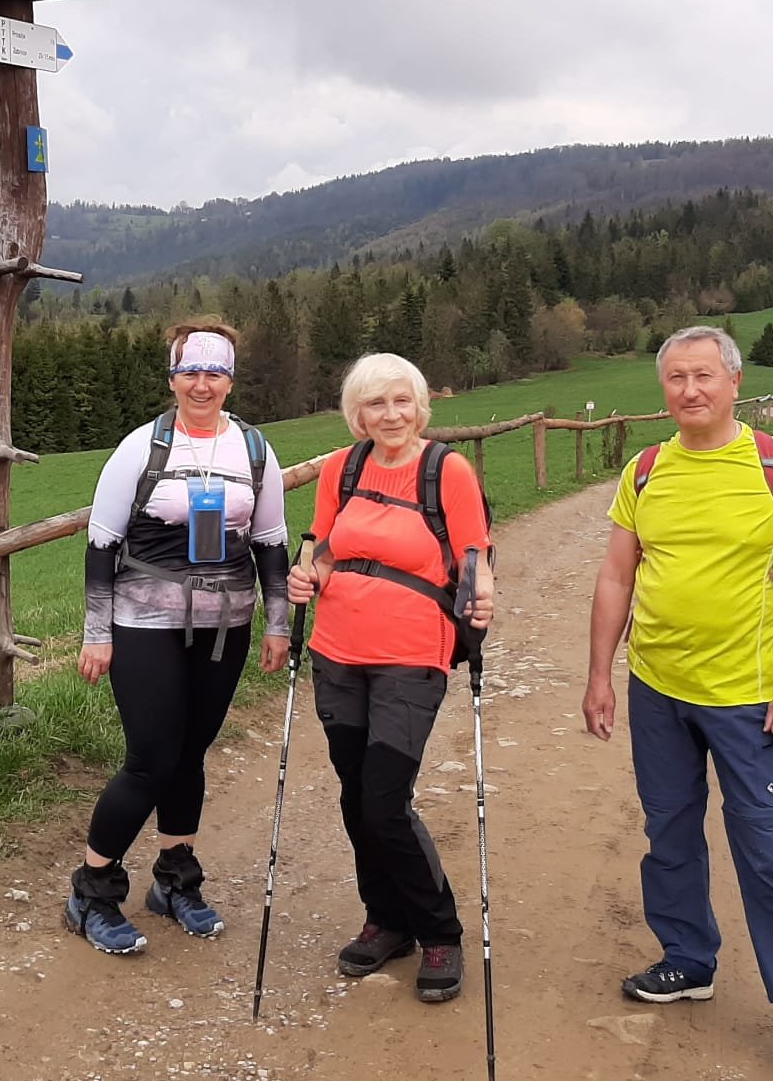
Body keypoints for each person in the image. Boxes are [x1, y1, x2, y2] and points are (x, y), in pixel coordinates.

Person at [582, 325, 773, 1081]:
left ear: (734, 382)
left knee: (769, 853)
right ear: (663, 388)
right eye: (676, 378)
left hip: (748, 698)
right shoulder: (646, 470)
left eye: (703, 375)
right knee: (668, 833)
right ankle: (688, 960)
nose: (690, 390)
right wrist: (600, 675)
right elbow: (616, 577)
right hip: (657, 689)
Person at [67, 319, 291, 955]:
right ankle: (93, 890)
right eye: (189, 370)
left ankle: (174, 879)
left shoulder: (254, 449)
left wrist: (277, 623)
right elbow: (102, 545)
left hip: (226, 624)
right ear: (172, 378)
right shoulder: (140, 448)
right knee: (150, 759)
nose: (202, 383)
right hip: (145, 622)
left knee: (191, 754)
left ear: (231, 380)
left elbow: (271, 541)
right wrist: (97, 633)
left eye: (214, 371)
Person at [288, 353, 494, 1004]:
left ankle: (439, 931)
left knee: (383, 799)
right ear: (358, 414)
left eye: (402, 400)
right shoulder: (342, 468)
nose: (391, 414)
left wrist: (482, 596)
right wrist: (307, 575)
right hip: (336, 650)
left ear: (420, 405)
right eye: (376, 403)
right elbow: (323, 548)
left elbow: (475, 556)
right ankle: (386, 920)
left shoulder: (446, 471)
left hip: (413, 655)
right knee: (356, 796)